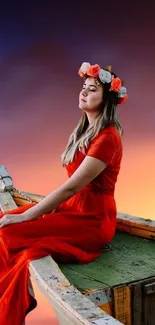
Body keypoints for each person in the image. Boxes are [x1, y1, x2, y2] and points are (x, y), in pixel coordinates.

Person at [0, 62, 128, 325]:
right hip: (73, 208)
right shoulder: (85, 130)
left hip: (91, 219)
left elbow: (72, 187)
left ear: (106, 101)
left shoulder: (108, 138)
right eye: (83, 87)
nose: (84, 92)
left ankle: (9, 309)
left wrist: (28, 217)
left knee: (10, 231)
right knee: (4, 221)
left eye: (92, 90)